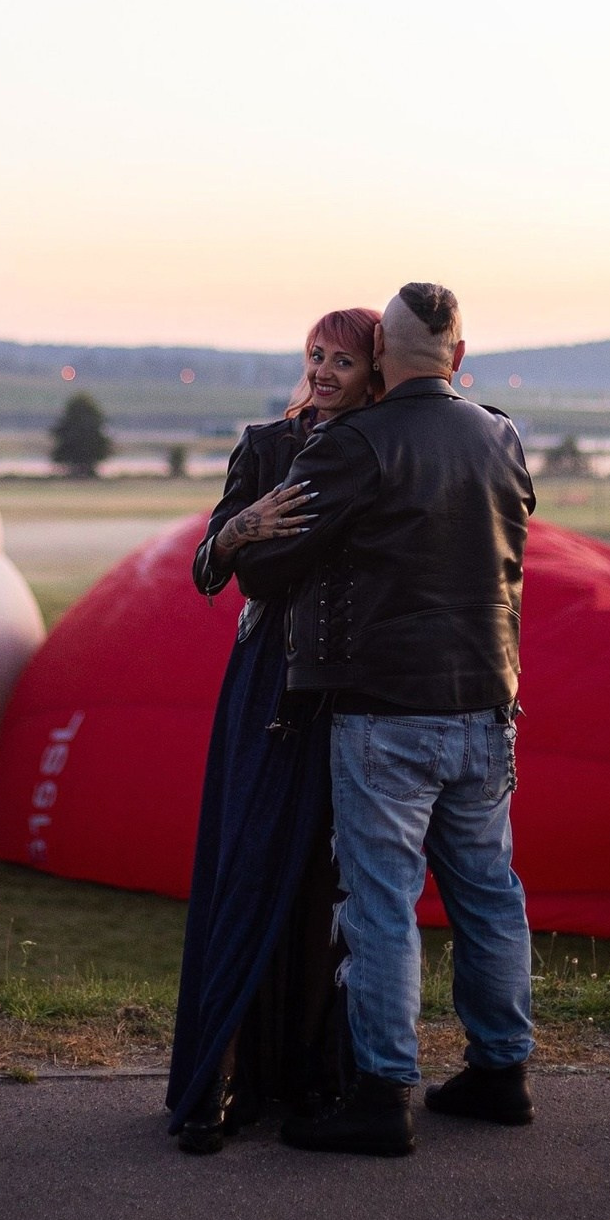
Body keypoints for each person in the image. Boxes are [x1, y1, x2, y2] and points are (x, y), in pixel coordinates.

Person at [234, 281, 536, 1157]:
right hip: (489, 701)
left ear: (382, 364)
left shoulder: (357, 444)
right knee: (488, 897)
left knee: (380, 906)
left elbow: (267, 575)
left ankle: (381, 1095)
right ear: (459, 359)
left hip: (384, 713)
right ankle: (501, 1073)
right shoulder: (501, 434)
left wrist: (248, 531)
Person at [166, 307, 383, 1154]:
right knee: (248, 869)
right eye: (315, 356)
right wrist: (239, 529)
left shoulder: (382, 452)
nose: (325, 372)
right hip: (268, 681)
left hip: (354, 686)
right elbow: (205, 571)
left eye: (344, 360)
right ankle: (218, 1078)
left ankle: (316, 1078)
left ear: (376, 373)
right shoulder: (266, 444)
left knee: (331, 888)